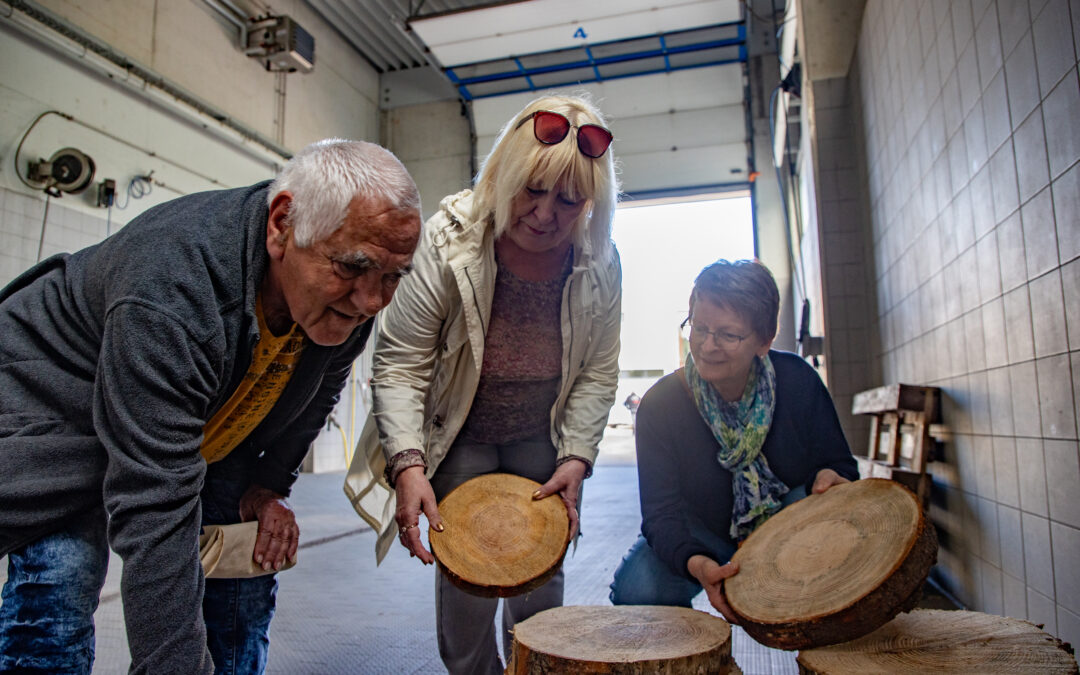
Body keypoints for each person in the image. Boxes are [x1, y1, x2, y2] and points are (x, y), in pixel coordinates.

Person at [0, 139, 422, 674]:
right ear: (282, 225)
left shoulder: (343, 307)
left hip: (194, 428)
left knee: (244, 567)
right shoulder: (171, 288)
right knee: (63, 577)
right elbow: (154, 505)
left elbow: (317, 394)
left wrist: (268, 487)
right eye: (351, 268)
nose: (371, 302)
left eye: (391, 276)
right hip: (52, 407)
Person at [345, 94, 621, 674]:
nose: (546, 215)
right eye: (532, 191)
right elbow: (401, 363)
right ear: (503, 175)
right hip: (460, 430)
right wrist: (410, 464)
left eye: (569, 201)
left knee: (539, 581)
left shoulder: (600, 261)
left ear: (591, 202)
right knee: (467, 576)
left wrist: (576, 458)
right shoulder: (449, 243)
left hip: (540, 434)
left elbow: (598, 370)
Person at [608, 259, 858, 621]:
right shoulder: (661, 404)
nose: (708, 346)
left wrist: (832, 479)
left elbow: (841, 465)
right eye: (699, 328)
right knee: (639, 590)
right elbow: (661, 515)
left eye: (727, 334)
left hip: (785, 521)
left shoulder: (797, 380)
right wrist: (698, 564)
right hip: (704, 528)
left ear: (764, 340)